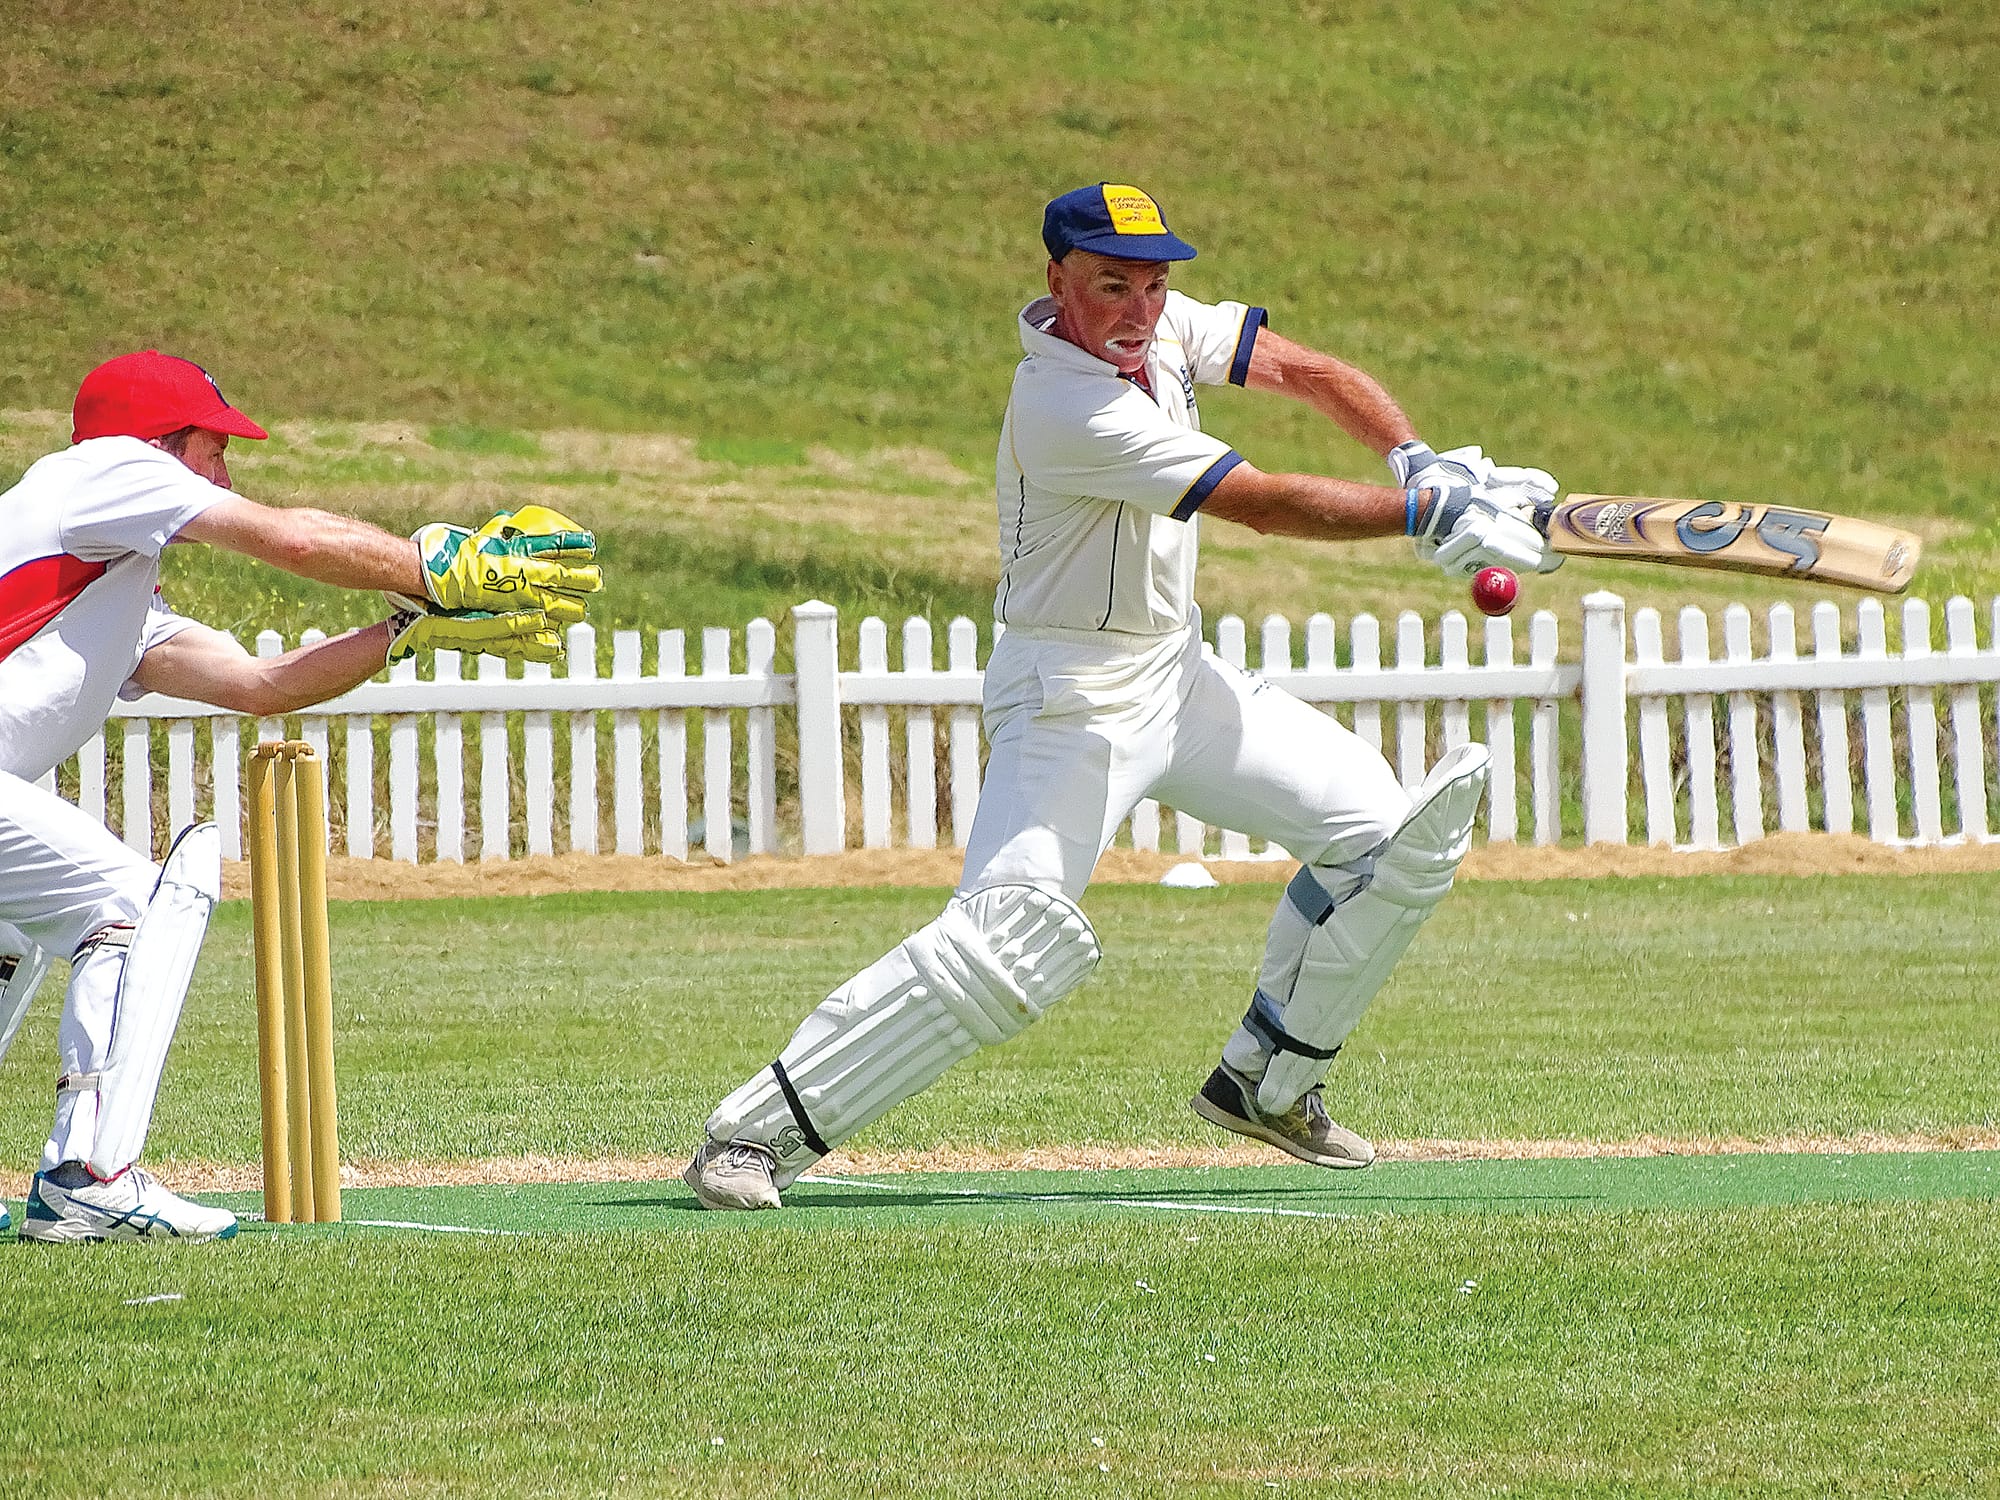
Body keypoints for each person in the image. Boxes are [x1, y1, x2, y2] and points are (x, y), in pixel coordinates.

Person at [683, 182, 1561, 1211]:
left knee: (1382, 838)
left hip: (1175, 674)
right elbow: (1263, 504)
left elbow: (1297, 368)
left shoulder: (1159, 326)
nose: (1139, 309)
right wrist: (1421, 514)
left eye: (1152, 284)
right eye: (1111, 286)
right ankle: (752, 1135)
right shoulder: (1064, 404)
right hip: (1070, 694)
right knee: (1011, 935)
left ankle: (1267, 1081)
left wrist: (1411, 454)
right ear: (1058, 283)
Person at [0, 350, 602, 1242]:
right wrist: (445, 564)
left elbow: (261, 682)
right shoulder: (104, 469)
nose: (227, 470)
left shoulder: (102, 582)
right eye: (215, 448)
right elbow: (295, 541)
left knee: (14, 932)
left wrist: (409, 625)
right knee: (125, 905)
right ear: (164, 444)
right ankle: (89, 1174)